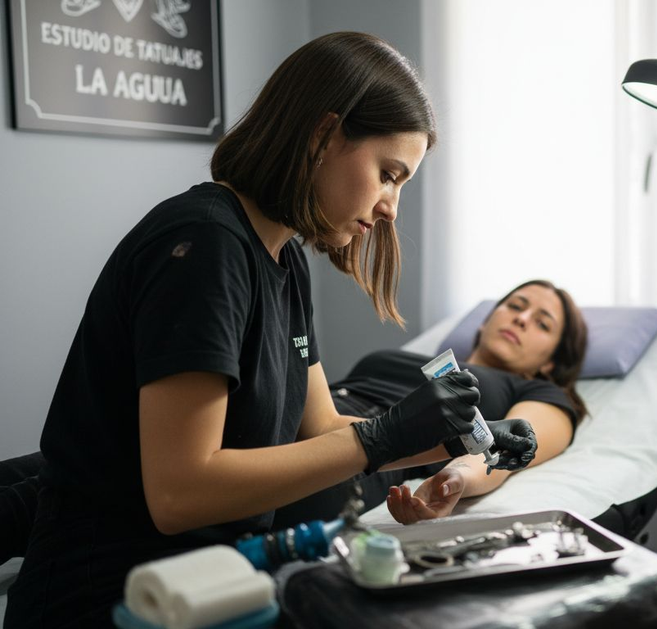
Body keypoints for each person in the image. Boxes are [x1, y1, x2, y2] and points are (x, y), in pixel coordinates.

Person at [5, 33, 535, 628]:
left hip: (206, 583)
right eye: (388, 174)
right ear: (322, 135)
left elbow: (323, 427)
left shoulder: (282, 262)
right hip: (114, 597)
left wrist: (468, 441)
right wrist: (385, 434)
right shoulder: (206, 246)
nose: (391, 207)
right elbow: (180, 493)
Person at [270, 279, 589, 528]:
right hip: (289, 414)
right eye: (515, 306)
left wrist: (456, 479)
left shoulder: (535, 390)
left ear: (551, 363)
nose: (522, 319)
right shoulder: (419, 359)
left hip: (362, 458)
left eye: (542, 324)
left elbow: (513, 446)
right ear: (484, 322)